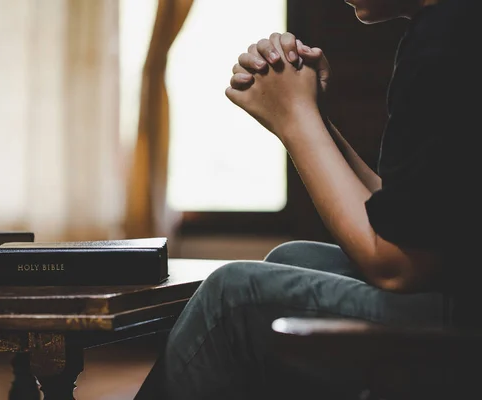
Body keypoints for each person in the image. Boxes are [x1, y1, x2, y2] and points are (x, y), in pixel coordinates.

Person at [134, 0, 480, 398]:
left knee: (231, 297)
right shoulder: (455, 22)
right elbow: (413, 217)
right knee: (293, 258)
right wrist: (312, 114)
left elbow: (397, 263)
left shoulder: (448, 37)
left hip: (467, 327)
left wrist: (295, 119)